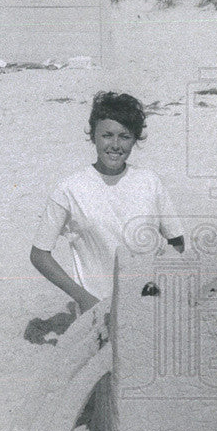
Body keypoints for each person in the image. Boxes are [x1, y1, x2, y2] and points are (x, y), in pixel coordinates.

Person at [31, 92, 185, 326]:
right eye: (107, 135)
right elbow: (39, 254)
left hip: (150, 307)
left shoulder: (150, 181)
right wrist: (83, 298)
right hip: (99, 313)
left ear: (135, 139)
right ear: (93, 136)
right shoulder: (69, 189)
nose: (115, 145)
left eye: (124, 136)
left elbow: (177, 241)